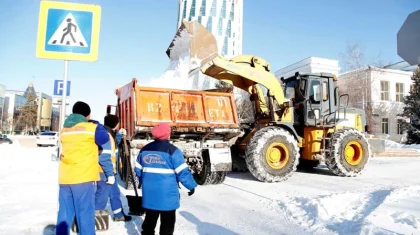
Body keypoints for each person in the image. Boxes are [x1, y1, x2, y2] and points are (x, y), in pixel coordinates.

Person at [56, 101, 111, 235]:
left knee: (65, 213)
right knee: (85, 213)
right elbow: (104, 138)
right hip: (83, 177)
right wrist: (96, 123)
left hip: (65, 178)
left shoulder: (64, 130)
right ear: (87, 114)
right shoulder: (91, 128)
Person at [134, 123, 197, 235]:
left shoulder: (144, 150)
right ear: (168, 135)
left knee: (149, 220)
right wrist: (191, 185)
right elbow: (183, 173)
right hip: (167, 195)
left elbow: (138, 170)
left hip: (150, 194)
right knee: (167, 224)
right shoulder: (173, 151)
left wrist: (145, 180)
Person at [94, 114, 132, 222]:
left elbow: (114, 144)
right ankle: (95, 220)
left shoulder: (109, 134)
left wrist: (119, 135)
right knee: (102, 196)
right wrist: (110, 174)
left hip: (110, 172)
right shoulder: (106, 136)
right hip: (104, 172)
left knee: (115, 193)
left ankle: (118, 214)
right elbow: (104, 158)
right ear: (115, 124)